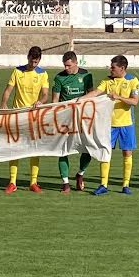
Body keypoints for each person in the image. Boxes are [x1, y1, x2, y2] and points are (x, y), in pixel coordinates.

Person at [2, 46, 50, 193]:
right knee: (15, 148)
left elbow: (45, 94)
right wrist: (4, 104)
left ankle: (33, 182)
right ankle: (12, 182)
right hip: (18, 115)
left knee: (34, 149)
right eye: (31, 61)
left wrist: (41, 101)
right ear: (27, 57)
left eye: (36, 62)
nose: (33, 64)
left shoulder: (43, 74)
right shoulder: (17, 71)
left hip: (34, 117)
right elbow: (8, 90)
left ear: (39, 60)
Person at [94, 55, 139, 195]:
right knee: (106, 153)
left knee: (127, 153)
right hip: (109, 124)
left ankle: (126, 185)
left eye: (113, 67)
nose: (110, 69)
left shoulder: (132, 80)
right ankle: (103, 184)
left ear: (122, 68)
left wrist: (118, 97)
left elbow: (135, 101)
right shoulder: (107, 80)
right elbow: (96, 92)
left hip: (127, 124)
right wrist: (79, 100)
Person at [51, 51, 93, 193]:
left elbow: (91, 95)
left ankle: (80, 173)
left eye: (69, 65)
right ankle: (65, 182)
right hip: (65, 118)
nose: (66, 68)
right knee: (63, 150)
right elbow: (55, 101)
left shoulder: (86, 75)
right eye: (64, 65)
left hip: (82, 118)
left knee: (88, 148)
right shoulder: (59, 78)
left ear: (76, 63)